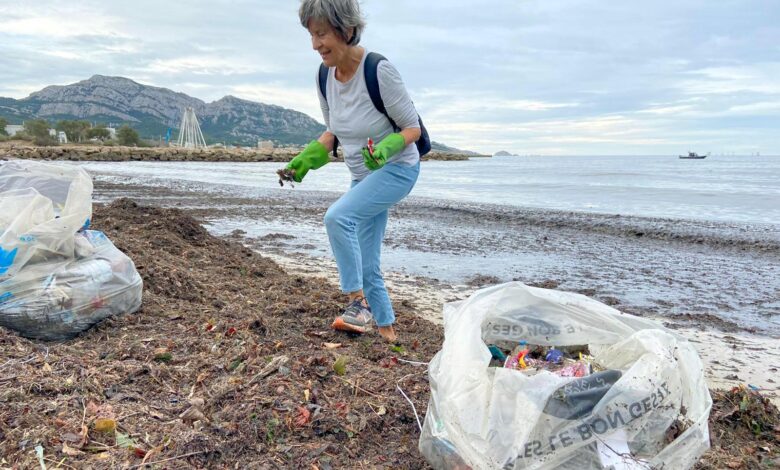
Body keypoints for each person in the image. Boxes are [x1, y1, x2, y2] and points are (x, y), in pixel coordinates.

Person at [283, 0, 422, 343]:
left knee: (337, 218)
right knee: (368, 257)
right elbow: (334, 133)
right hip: (362, 176)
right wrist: (305, 160)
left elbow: (412, 128)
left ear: (345, 29)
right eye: (311, 36)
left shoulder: (378, 70)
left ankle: (357, 304)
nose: (315, 44)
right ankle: (389, 334)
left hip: (397, 170)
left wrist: (388, 147)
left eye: (321, 34)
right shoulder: (323, 76)